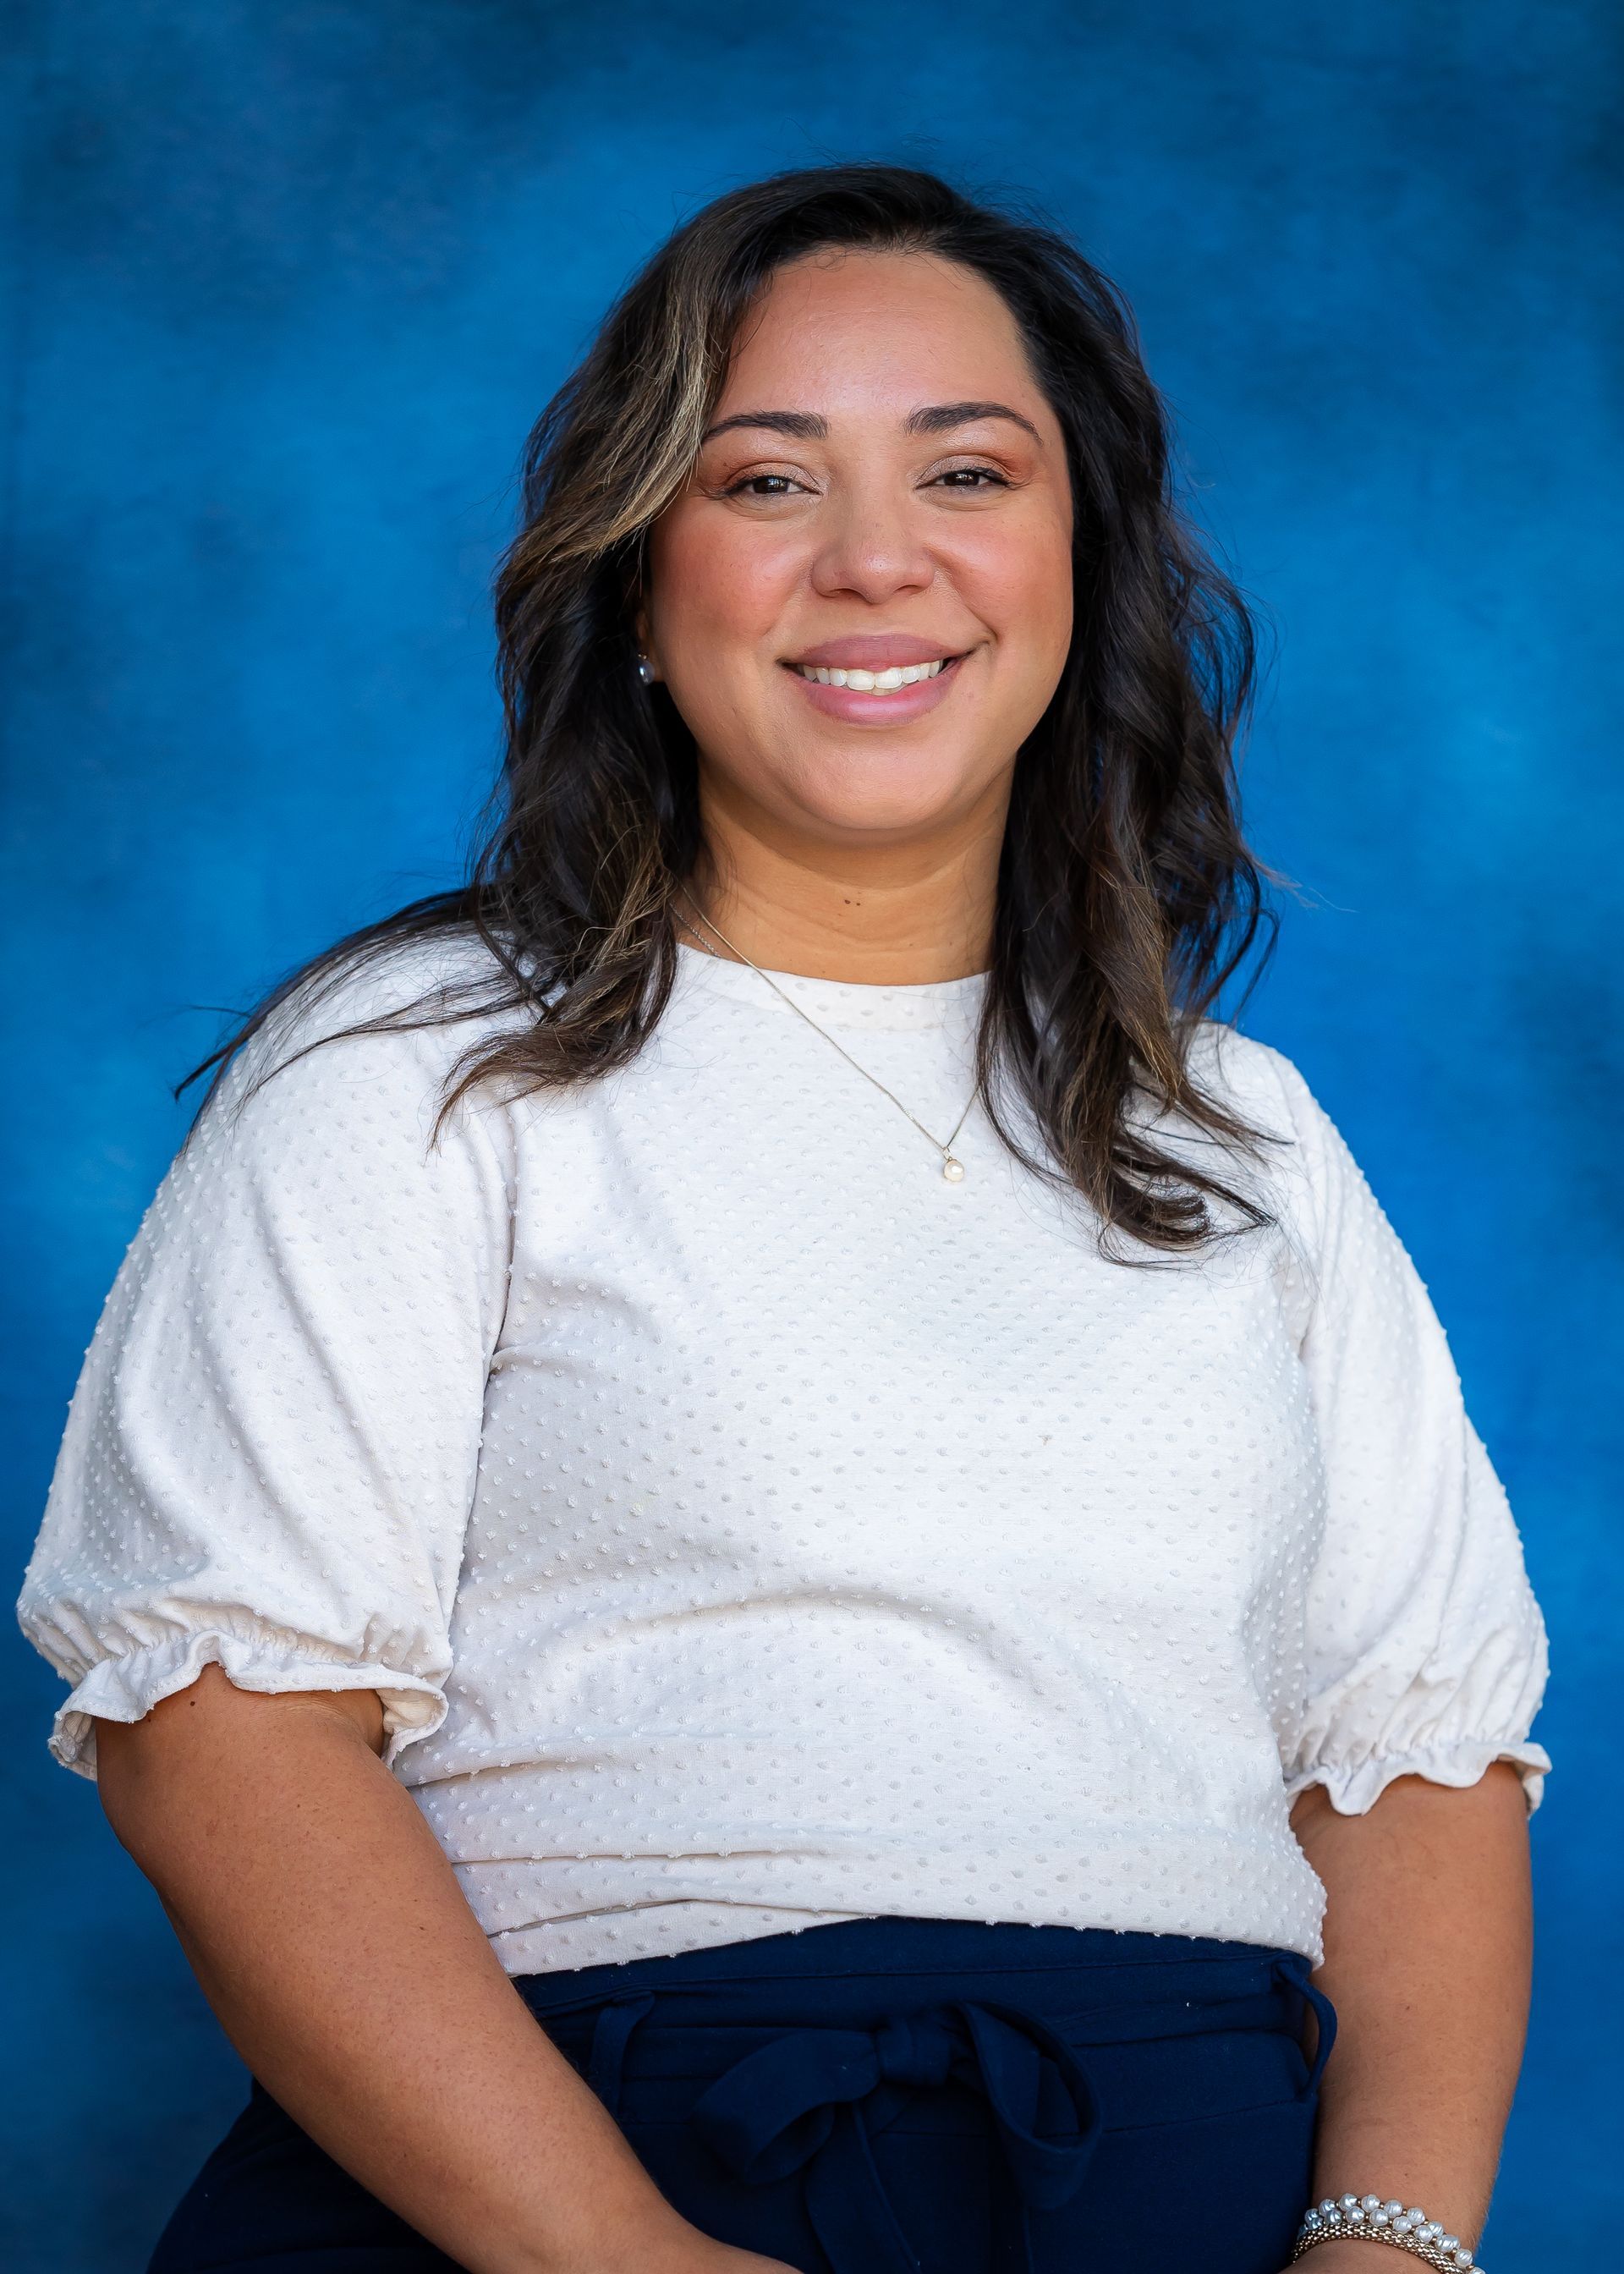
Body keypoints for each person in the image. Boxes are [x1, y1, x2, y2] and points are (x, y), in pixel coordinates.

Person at [17, 163, 1549, 2274]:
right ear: (642, 583)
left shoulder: (1245, 1137)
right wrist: (617, 2258)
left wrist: (1385, 2249)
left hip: (1184, 2186)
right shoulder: (419, 1070)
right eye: (763, 481)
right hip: (569, 2176)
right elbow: (221, 1727)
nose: (876, 561)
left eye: (969, 469)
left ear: (1081, 565)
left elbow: (1415, 1756)